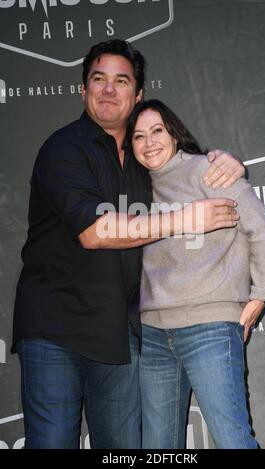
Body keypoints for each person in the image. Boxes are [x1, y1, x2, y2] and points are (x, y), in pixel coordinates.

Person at [12, 40, 244, 449]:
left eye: (121, 81)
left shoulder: (146, 158)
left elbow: (187, 170)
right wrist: (188, 219)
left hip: (121, 335)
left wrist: (222, 161)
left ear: (137, 94)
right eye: (98, 79)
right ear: (83, 89)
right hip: (56, 330)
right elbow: (95, 231)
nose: (108, 89)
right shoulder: (63, 149)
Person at [127, 99, 265, 449]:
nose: (148, 142)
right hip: (152, 335)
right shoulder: (134, 188)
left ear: (174, 134)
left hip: (209, 328)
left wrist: (261, 294)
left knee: (232, 441)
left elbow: (262, 227)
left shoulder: (207, 171)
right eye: (138, 136)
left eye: (157, 131)